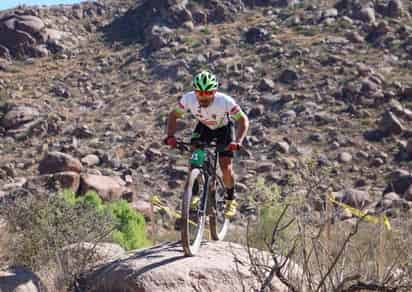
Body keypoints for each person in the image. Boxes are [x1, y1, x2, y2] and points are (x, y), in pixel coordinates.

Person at [164, 70, 249, 217]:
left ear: (214, 92)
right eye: (199, 93)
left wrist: (238, 141)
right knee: (195, 157)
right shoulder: (188, 99)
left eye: (207, 93)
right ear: (195, 92)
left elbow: (243, 120)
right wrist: (170, 136)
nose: (203, 97)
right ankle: (195, 193)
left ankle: (230, 200)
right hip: (204, 127)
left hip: (224, 129)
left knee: (225, 166)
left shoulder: (225, 101)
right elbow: (173, 115)